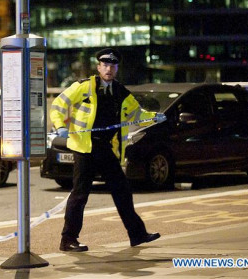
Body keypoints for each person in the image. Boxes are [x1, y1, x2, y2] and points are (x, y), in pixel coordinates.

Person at [50, 48, 166, 252]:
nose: (109, 69)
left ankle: (137, 234)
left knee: (122, 190)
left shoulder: (121, 92)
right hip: (85, 147)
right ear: (98, 67)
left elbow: (136, 115)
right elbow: (59, 104)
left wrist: (153, 117)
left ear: (117, 68)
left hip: (105, 148)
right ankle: (67, 239)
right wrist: (60, 126)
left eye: (112, 65)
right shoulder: (84, 87)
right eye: (105, 65)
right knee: (80, 194)